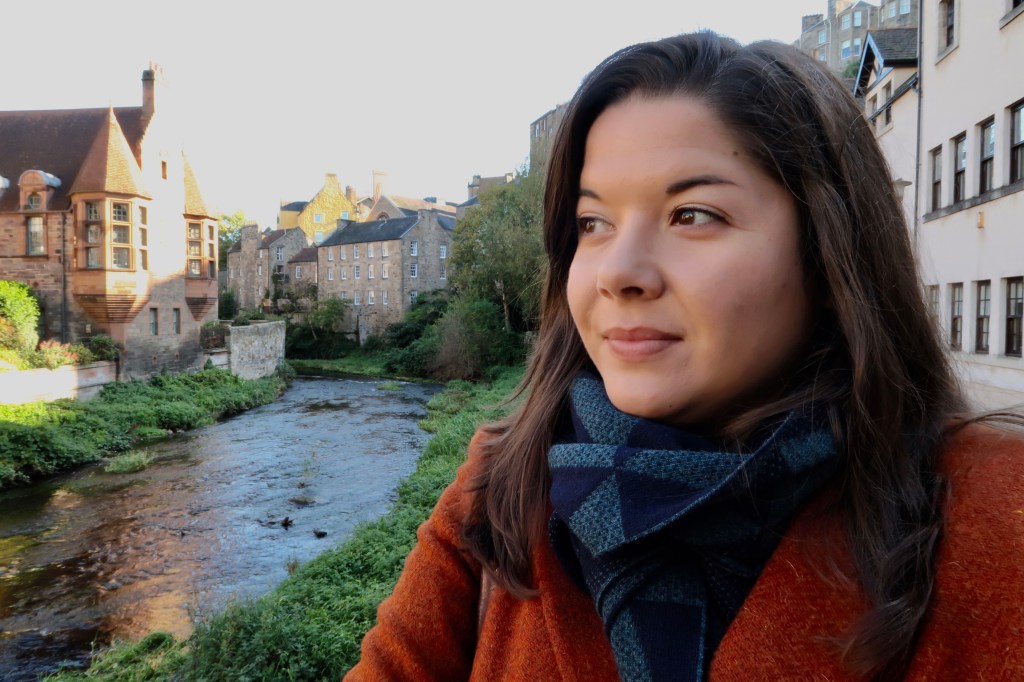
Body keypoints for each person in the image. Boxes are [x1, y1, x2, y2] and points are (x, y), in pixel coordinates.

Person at [346, 32, 1024, 681]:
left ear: (827, 254)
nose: (619, 272)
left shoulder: (992, 523)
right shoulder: (500, 491)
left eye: (692, 215)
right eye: (593, 224)